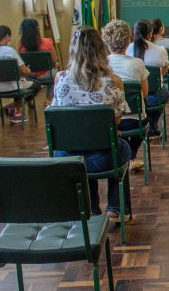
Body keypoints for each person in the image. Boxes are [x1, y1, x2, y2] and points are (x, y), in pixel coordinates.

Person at [51, 26, 130, 220]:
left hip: (67, 156)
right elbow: (116, 121)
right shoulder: (114, 81)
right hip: (101, 157)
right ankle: (116, 208)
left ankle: (91, 208)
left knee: (86, 143)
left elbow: (56, 114)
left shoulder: (60, 79)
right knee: (120, 147)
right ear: (102, 49)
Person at [103, 20, 149, 172]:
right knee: (144, 123)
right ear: (128, 41)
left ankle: (128, 155)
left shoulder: (101, 65)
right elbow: (145, 92)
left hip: (110, 121)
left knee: (117, 130)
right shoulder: (137, 63)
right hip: (135, 121)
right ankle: (132, 155)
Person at [0, 25, 41, 124]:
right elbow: (24, 71)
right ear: (7, 37)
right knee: (36, 84)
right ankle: (15, 108)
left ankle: (16, 111)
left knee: (19, 83)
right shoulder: (9, 51)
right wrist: (29, 71)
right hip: (11, 87)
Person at [126, 19, 169, 136]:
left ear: (134, 33)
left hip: (132, 99)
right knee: (165, 93)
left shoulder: (127, 49)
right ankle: (152, 125)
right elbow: (165, 69)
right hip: (153, 97)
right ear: (150, 33)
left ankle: (151, 125)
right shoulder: (160, 50)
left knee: (144, 102)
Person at [18, 18, 58, 99]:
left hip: (29, 76)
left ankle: (30, 100)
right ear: (37, 30)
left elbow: (21, 62)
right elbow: (54, 61)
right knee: (56, 75)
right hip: (45, 75)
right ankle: (49, 99)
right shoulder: (48, 42)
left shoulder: (20, 44)